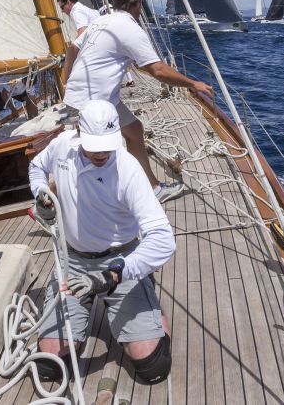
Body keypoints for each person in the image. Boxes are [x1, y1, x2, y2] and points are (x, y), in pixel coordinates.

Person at [28, 100, 175, 385]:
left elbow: (163, 239)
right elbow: (36, 167)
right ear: (79, 130)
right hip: (74, 261)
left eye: (107, 143)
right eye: (94, 144)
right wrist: (42, 194)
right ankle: (106, 304)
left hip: (119, 260)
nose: (101, 153)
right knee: (51, 366)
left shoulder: (129, 170)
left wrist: (115, 273)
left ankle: (147, 306)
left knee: (153, 367)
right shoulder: (61, 146)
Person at [63, 0, 212, 202]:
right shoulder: (130, 28)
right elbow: (158, 70)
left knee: (134, 130)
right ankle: (52, 200)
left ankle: (153, 189)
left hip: (91, 95)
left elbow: (72, 48)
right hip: (93, 102)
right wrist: (193, 84)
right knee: (95, 152)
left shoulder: (100, 22)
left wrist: (68, 82)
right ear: (138, 4)